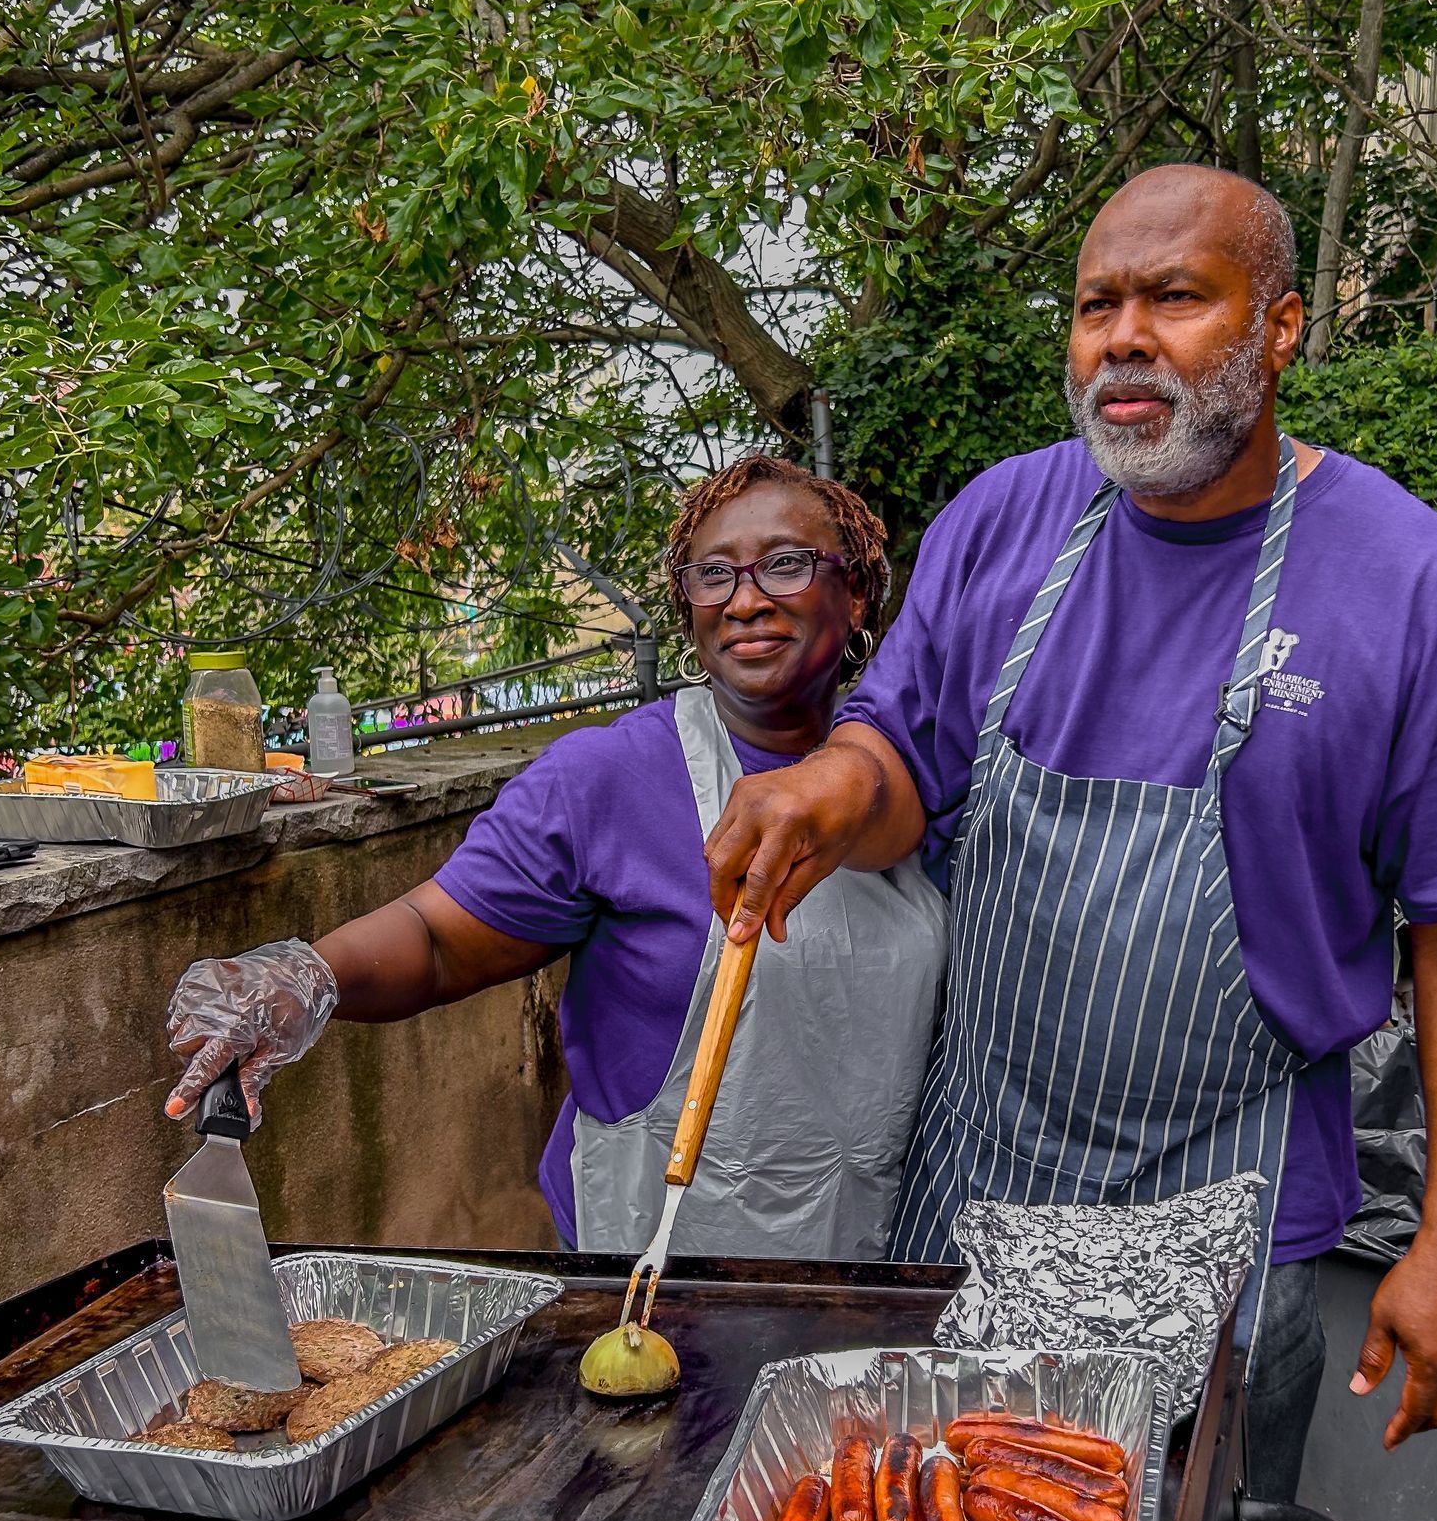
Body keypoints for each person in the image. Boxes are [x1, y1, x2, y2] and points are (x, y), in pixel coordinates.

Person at [703, 166, 1437, 1498]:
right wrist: (831, 790)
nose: (1123, 337)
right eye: (1096, 303)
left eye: (1175, 298)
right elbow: (897, 766)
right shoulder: (1003, 520)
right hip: (977, 1202)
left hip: (1231, 1219)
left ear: (1280, 329)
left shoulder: (1422, 591)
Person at [163, 456, 949, 1259]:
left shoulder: (931, 771)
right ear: (687, 610)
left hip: (881, 1251)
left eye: (785, 564)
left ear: (856, 595)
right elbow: (437, 940)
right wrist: (308, 975)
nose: (746, 600)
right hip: (656, 1269)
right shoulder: (605, 780)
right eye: (714, 575)